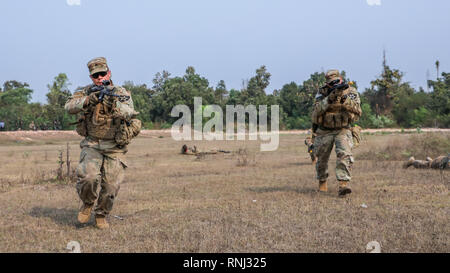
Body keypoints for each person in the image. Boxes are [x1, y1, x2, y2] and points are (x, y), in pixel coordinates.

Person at [65, 57, 141, 229]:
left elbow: (130, 112)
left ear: (109, 73)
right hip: (92, 143)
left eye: (102, 74)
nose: (100, 78)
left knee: (111, 186)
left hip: (114, 146)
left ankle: (101, 214)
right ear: (91, 77)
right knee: (88, 178)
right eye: (95, 76)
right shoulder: (85, 92)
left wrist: (114, 105)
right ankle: (87, 204)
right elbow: (69, 107)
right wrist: (88, 100)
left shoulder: (120, 92)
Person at [310, 69, 362, 196]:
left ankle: (343, 185)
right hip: (324, 130)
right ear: (327, 84)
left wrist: (344, 101)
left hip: (342, 128)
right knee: (321, 159)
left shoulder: (350, 91)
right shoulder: (322, 92)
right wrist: (329, 98)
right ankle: (322, 183)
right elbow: (316, 111)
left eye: (336, 82)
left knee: (344, 154)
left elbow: (358, 110)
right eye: (331, 83)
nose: (334, 85)